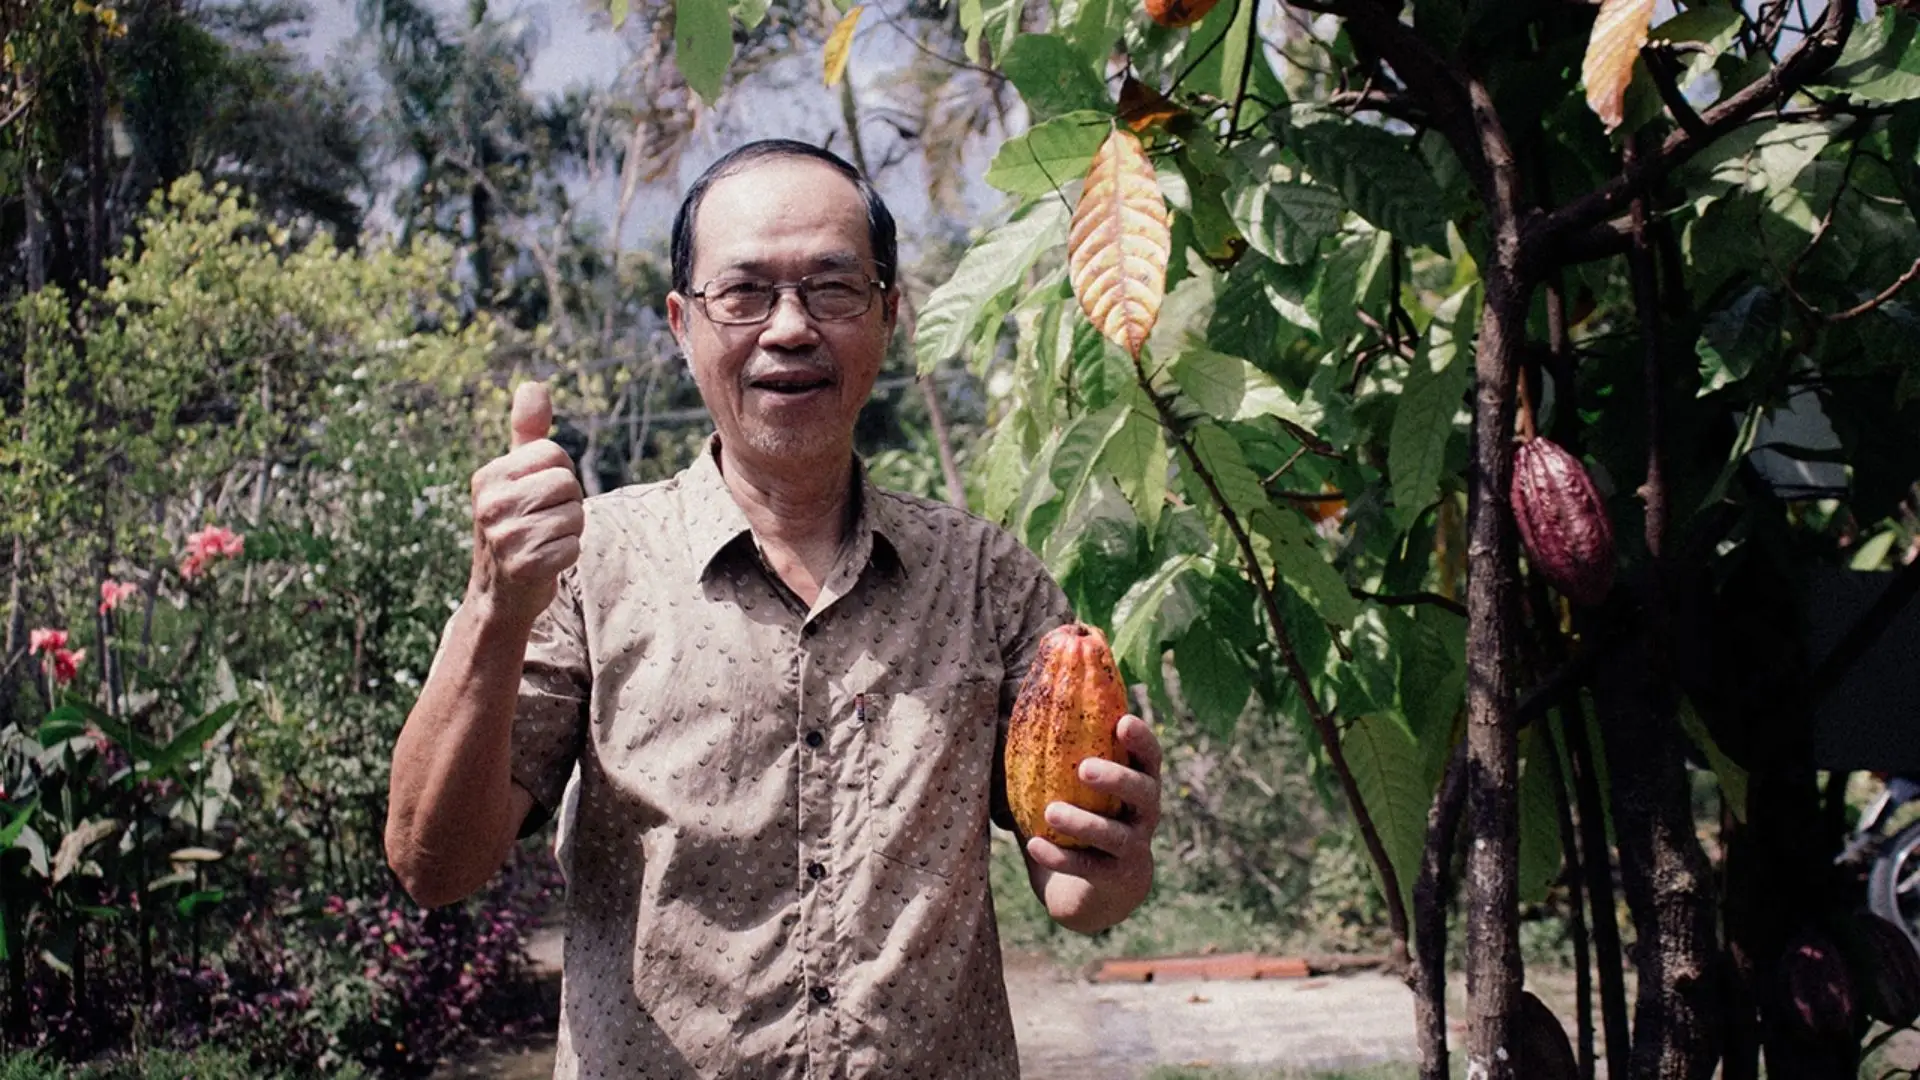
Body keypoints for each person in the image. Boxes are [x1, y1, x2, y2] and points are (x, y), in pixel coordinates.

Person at [384, 139, 1163, 1079]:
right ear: (682, 324)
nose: (790, 328)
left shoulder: (987, 578)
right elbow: (434, 866)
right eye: (745, 294)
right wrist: (493, 607)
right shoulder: (587, 568)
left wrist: (1112, 857)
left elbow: (1080, 893)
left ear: (889, 314)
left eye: (832, 290)